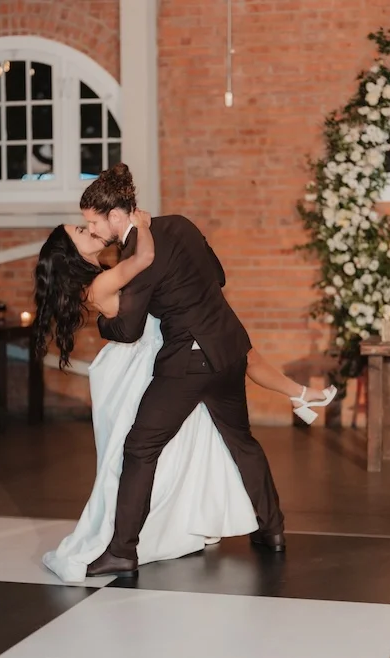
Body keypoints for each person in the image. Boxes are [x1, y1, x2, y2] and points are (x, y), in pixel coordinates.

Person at [34, 164, 335, 581]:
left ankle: (122, 551)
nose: (92, 228)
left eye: (92, 222)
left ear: (115, 217)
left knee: (139, 448)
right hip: (230, 347)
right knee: (241, 441)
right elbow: (219, 275)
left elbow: (130, 327)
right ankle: (273, 529)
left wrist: (105, 324)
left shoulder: (136, 253)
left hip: (189, 362)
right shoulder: (180, 223)